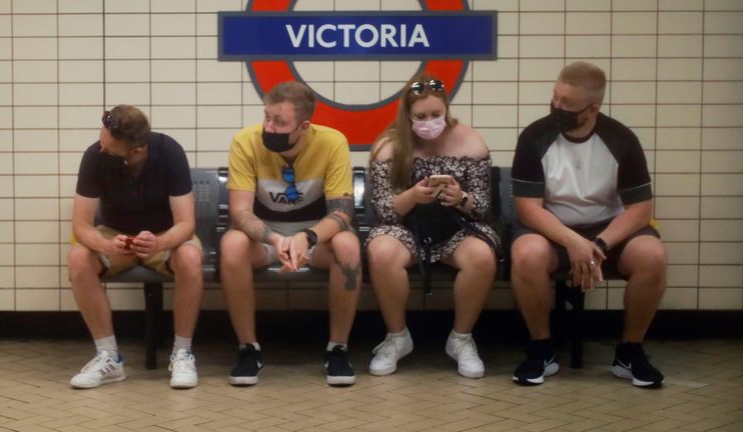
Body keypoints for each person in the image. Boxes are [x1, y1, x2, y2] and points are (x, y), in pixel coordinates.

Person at [510, 61, 667, 388]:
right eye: (555, 97)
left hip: (608, 232)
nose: (557, 106)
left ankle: (629, 352)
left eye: (567, 103)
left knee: (652, 255)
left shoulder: (621, 139)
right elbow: (528, 209)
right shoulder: (534, 137)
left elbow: (640, 208)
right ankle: (542, 349)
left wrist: (599, 245)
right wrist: (572, 241)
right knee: (526, 254)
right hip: (553, 230)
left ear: (593, 107)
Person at [220, 81, 361, 387]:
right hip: (265, 235)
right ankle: (248, 349)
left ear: (304, 126)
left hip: (315, 234)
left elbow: (342, 212)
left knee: (348, 244)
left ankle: (338, 349)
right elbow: (240, 212)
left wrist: (307, 237)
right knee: (231, 244)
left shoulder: (332, 141)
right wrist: (274, 239)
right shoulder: (246, 141)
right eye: (266, 117)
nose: (268, 127)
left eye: (279, 122)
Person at [366, 74, 500, 379]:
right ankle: (397, 338)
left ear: (447, 111)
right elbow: (384, 211)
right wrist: (412, 196)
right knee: (382, 252)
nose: (430, 122)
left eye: (436, 115)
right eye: (421, 117)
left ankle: (462, 340)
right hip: (406, 228)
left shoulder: (471, 141)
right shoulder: (388, 145)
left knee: (481, 256)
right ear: (408, 116)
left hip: (458, 226)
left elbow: (482, 207)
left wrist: (461, 197)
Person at [68, 105, 203, 389]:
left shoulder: (169, 152)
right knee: (79, 258)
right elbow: (81, 225)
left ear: (137, 151)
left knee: (190, 256)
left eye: (110, 149)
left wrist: (161, 242)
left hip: (164, 234)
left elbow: (186, 223)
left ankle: (182, 353)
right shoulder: (95, 154)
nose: (101, 150)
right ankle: (109, 357)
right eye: (102, 140)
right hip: (115, 233)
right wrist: (105, 245)